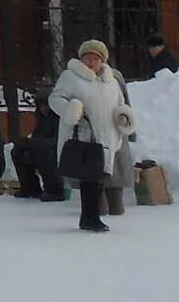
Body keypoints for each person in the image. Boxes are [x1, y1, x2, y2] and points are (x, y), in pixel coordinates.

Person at [51, 39, 135, 233]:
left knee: (99, 177)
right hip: (84, 135)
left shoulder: (111, 80)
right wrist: (71, 109)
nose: (91, 62)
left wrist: (123, 116)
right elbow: (55, 99)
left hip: (107, 137)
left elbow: (121, 103)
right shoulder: (70, 77)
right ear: (81, 59)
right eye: (88, 58)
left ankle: (91, 217)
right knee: (89, 178)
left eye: (96, 58)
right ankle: (90, 217)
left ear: (102, 60)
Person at [10, 90, 65, 202]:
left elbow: (60, 140)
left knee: (42, 150)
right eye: (41, 105)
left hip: (57, 153)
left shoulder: (59, 117)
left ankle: (54, 190)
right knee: (17, 151)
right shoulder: (41, 119)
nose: (44, 108)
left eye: (46, 105)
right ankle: (30, 188)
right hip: (41, 150)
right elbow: (37, 137)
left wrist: (34, 142)